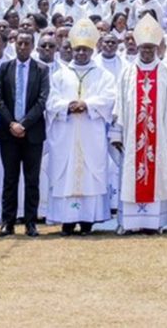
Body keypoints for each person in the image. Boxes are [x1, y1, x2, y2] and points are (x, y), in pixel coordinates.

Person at [43, 18, 115, 233]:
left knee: (90, 175)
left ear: (92, 50)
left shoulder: (104, 75)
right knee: (65, 175)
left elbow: (109, 98)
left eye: (85, 49)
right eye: (77, 49)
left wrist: (87, 105)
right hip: (66, 134)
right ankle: (66, 220)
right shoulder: (59, 75)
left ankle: (87, 220)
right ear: (71, 50)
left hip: (91, 133)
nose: (81, 53)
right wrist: (67, 106)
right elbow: (50, 100)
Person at [117, 16, 167, 233]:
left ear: (157, 48)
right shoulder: (127, 72)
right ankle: (132, 223)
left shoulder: (165, 72)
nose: (147, 52)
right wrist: (118, 134)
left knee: (156, 176)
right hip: (133, 136)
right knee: (133, 174)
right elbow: (121, 106)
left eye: (150, 48)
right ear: (137, 47)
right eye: (143, 48)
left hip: (158, 139)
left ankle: (155, 223)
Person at [0, 31, 47, 235]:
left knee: (32, 180)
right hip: (9, 133)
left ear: (32, 46)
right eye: (19, 43)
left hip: (32, 133)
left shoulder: (41, 69)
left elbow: (42, 100)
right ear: (14, 44)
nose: (22, 47)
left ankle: (30, 222)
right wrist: (12, 123)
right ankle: (8, 222)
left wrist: (23, 124)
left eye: (26, 43)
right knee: (10, 179)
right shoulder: (5, 68)